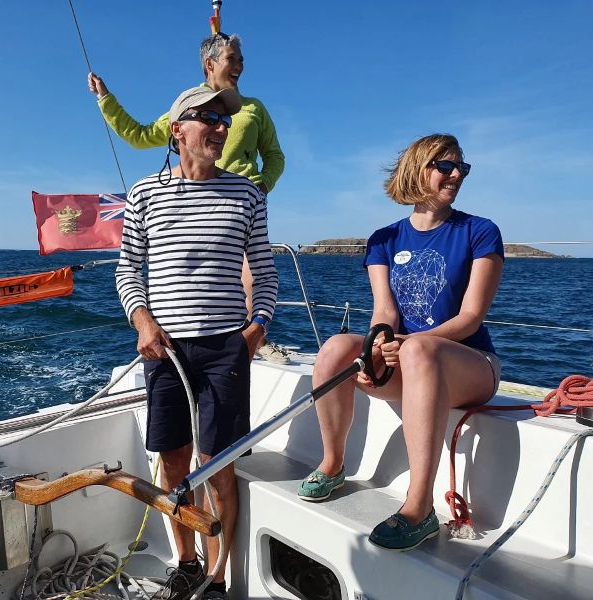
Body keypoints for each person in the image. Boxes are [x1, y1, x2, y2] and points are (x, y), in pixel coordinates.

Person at [296, 134, 504, 552]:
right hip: (409, 360)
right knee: (338, 347)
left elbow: (470, 318)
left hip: (471, 365)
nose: (456, 174)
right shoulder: (384, 240)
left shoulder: (480, 232)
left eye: (462, 167)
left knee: (418, 349)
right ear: (418, 169)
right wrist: (377, 346)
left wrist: (407, 344)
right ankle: (333, 464)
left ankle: (420, 507)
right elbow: (384, 313)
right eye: (445, 166)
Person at [116, 86, 278, 599]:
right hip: (164, 349)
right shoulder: (144, 194)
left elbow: (266, 272)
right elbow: (128, 271)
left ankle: (217, 576)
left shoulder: (248, 195)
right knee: (174, 461)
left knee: (219, 467)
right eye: (207, 117)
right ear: (176, 130)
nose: (221, 126)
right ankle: (186, 562)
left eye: (223, 119)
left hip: (225, 348)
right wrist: (142, 321)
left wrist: (257, 328)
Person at [92, 33, 288, 364]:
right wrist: (106, 100)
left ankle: (254, 336)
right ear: (210, 64)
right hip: (189, 202)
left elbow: (275, 156)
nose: (239, 65)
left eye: (241, 59)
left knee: (252, 271)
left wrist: (262, 185)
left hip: (240, 202)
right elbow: (139, 136)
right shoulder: (186, 109)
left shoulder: (254, 109)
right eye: (232, 58)